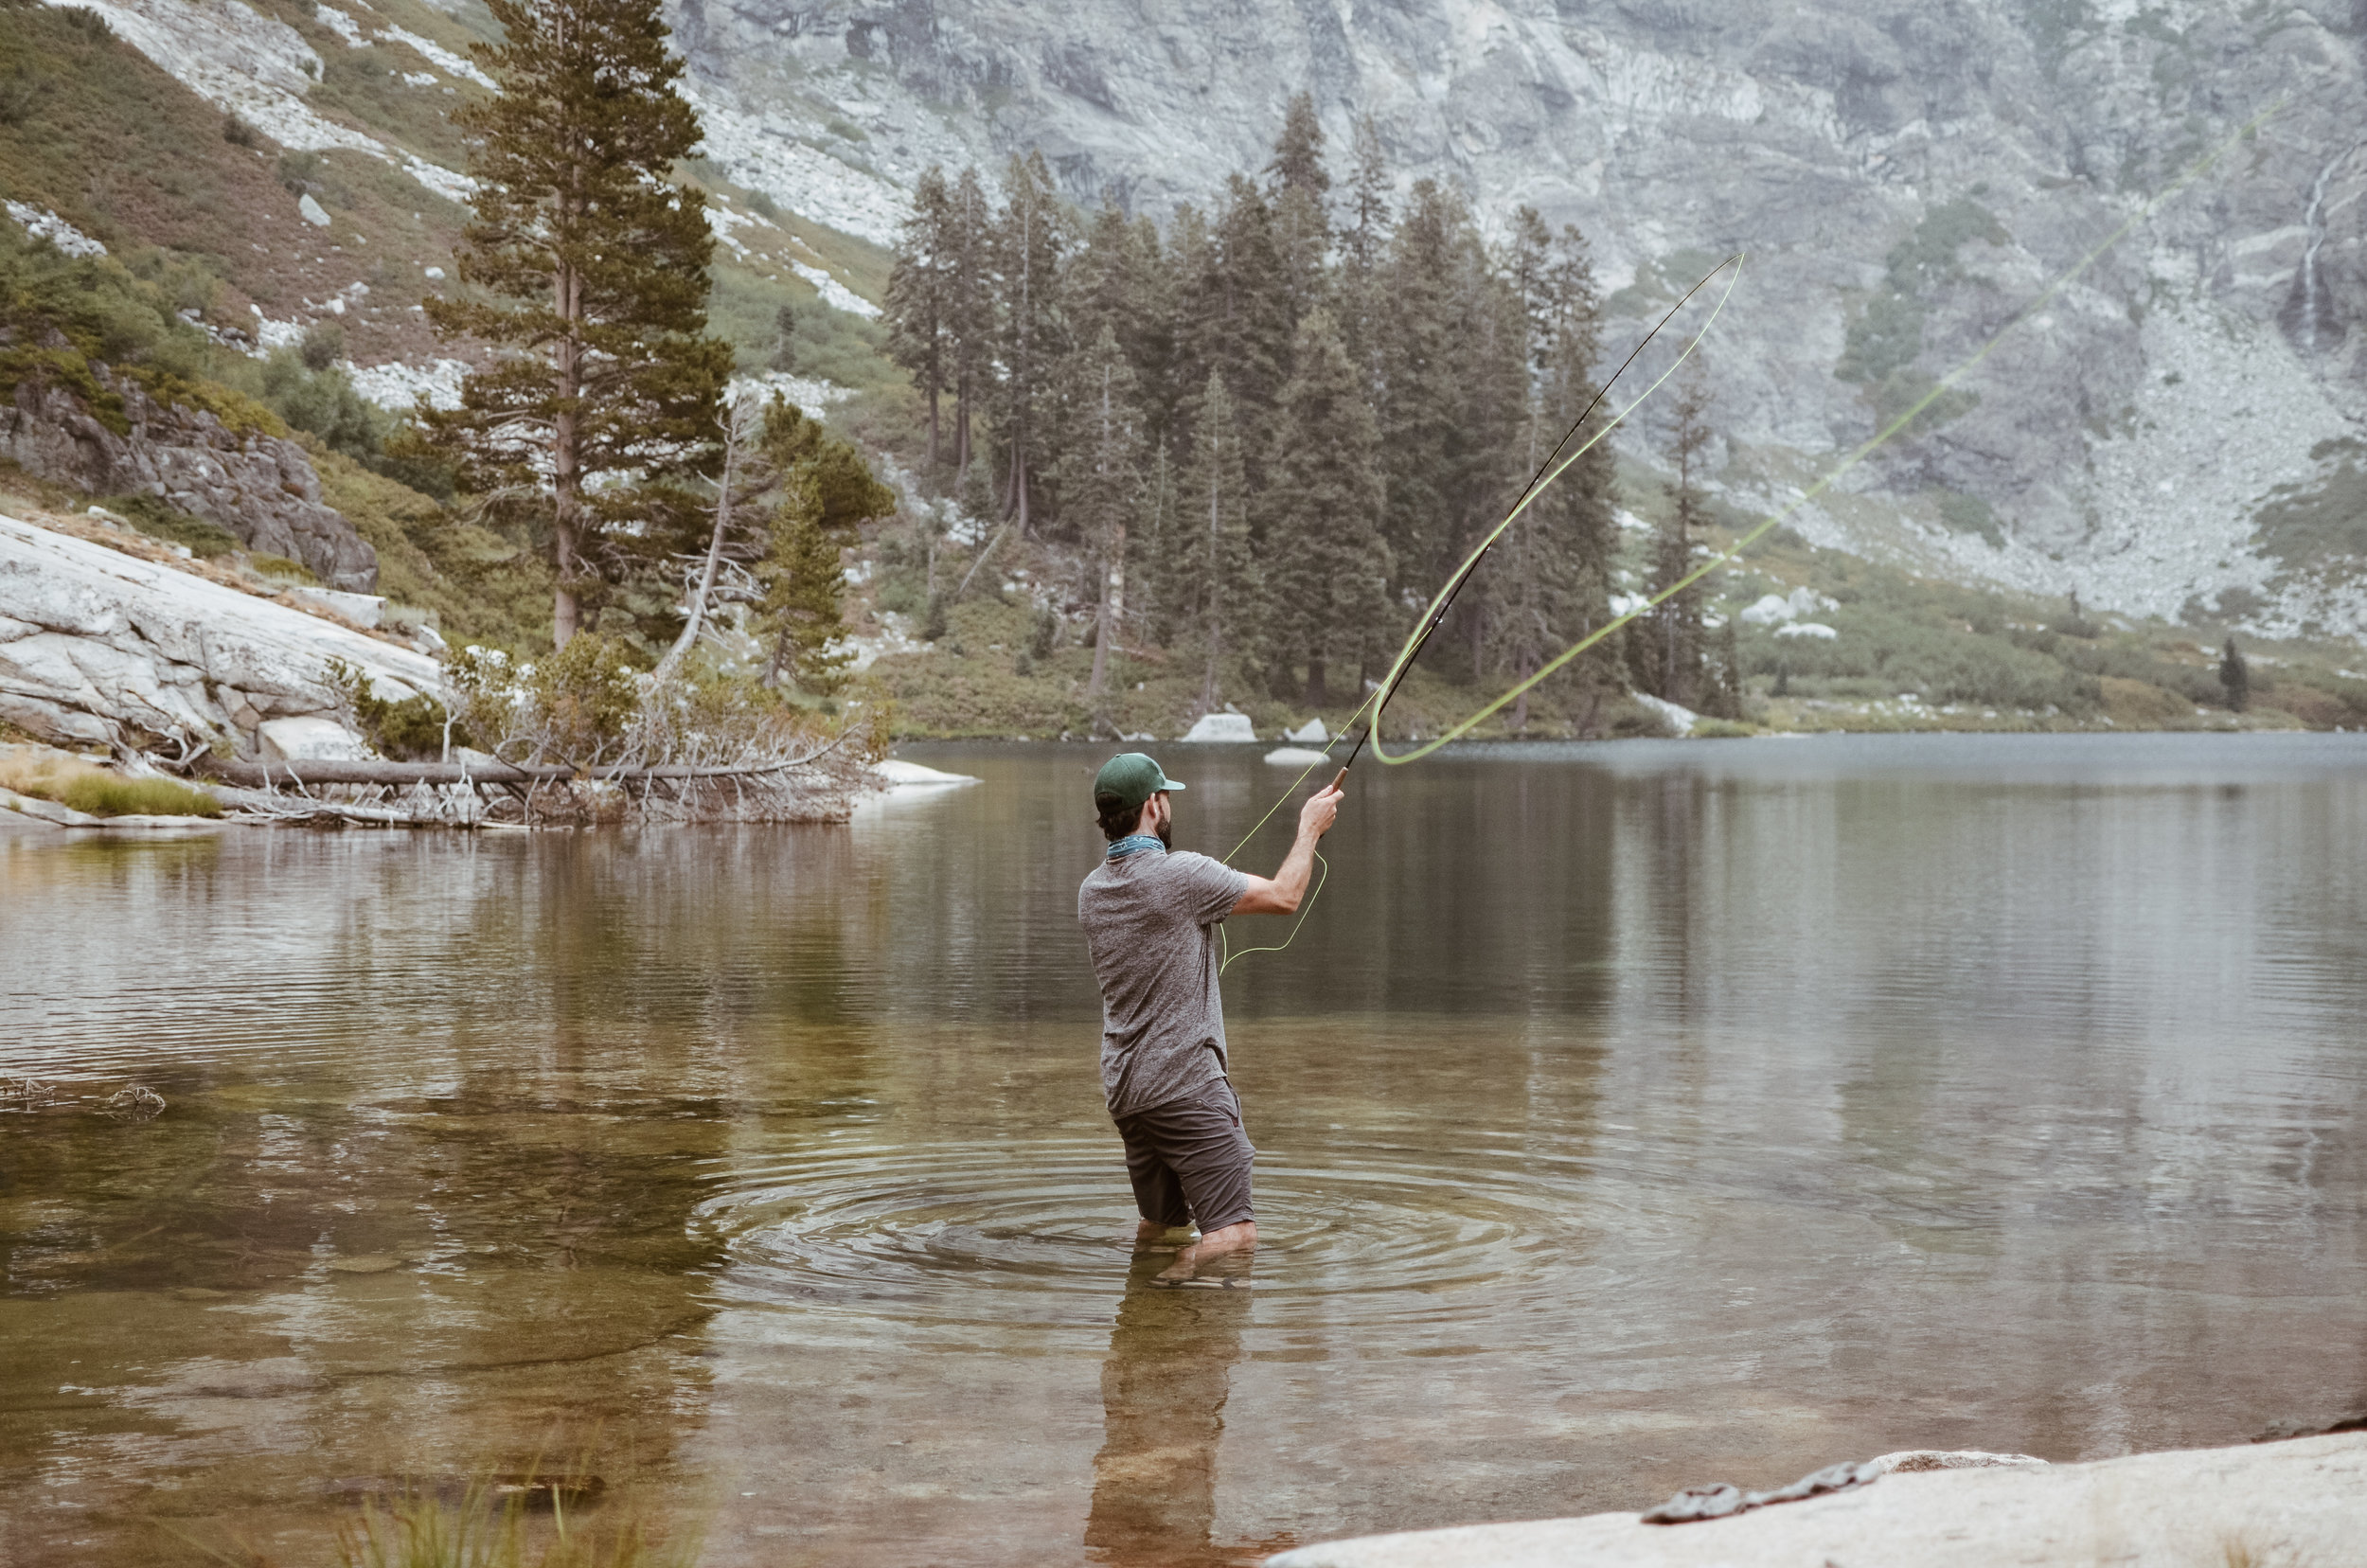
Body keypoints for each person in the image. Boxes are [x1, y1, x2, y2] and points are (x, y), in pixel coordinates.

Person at [1076, 752, 1341, 1277]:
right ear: (1153, 805)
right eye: (1166, 796)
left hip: (1129, 1095)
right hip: (1185, 1087)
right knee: (1236, 1235)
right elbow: (1285, 896)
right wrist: (1309, 828)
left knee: (1162, 1225)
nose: (1169, 805)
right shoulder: (1182, 875)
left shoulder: (1092, 892)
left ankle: (1145, 1318)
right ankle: (1172, 1284)